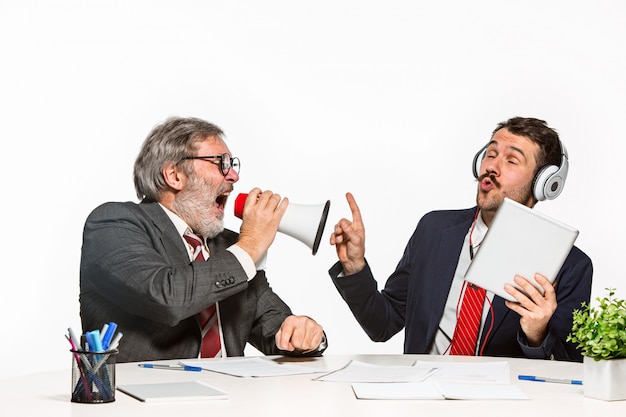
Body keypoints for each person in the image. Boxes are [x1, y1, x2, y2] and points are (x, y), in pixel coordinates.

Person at [329, 116, 592, 362]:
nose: (491, 167)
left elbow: (571, 370)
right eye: (490, 154)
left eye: (511, 160)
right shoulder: (433, 229)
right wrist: (355, 267)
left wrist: (538, 334)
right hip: (421, 398)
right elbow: (382, 325)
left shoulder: (570, 266)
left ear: (543, 184)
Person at [80, 116, 326, 362]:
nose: (233, 176)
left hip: (233, 396)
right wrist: (249, 247)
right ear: (174, 175)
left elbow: (273, 327)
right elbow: (167, 298)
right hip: (145, 395)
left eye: (233, 165)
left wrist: (303, 333)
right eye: (221, 163)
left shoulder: (229, 245)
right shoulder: (114, 223)